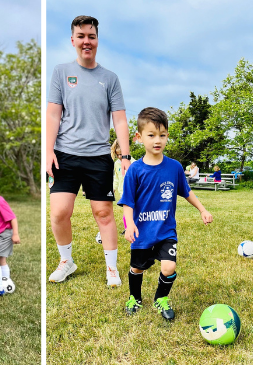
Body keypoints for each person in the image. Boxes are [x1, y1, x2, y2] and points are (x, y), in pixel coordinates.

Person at [47, 15, 132, 287]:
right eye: (81, 36)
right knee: (59, 213)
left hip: (98, 156)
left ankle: (111, 269)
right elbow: (52, 116)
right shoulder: (61, 72)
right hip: (65, 154)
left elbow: (119, 118)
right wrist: (48, 150)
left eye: (91, 37)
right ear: (73, 40)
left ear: (97, 41)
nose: (87, 41)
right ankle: (66, 261)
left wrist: (126, 156)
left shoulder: (110, 78)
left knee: (103, 213)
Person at [118, 107, 213, 319]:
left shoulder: (175, 167)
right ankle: (135, 297)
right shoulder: (135, 170)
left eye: (162, 135)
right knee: (137, 268)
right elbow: (127, 201)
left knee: (169, 267)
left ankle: (161, 299)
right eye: (151, 135)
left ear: (167, 136)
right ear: (139, 137)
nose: (157, 140)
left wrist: (202, 209)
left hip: (166, 230)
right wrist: (129, 224)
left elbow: (186, 192)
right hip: (142, 231)